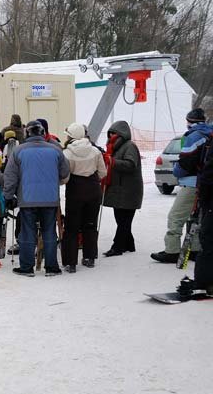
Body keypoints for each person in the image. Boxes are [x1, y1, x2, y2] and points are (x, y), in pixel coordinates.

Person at [4, 121, 70, 276]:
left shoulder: (19, 151)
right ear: (42, 133)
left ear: (27, 133)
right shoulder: (55, 150)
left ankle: (27, 267)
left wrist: (8, 195)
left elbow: (10, 176)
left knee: (27, 232)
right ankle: (52, 267)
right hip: (50, 198)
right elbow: (65, 172)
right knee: (49, 232)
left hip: (27, 198)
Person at [152, 108, 212, 263]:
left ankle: (172, 251)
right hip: (205, 183)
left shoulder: (193, 136)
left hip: (192, 184)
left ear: (189, 121)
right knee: (195, 217)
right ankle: (194, 250)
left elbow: (185, 162)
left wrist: (177, 172)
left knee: (176, 217)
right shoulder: (209, 134)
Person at [60, 123, 107, 273]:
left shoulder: (67, 153)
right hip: (93, 190)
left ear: (71, 136)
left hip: (75, 191)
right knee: (90, 224)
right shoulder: (94, 151)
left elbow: (65, 178)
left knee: (71, 228)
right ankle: (89, 257)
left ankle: (70, 262)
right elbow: (102, 173)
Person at [178, 129, 213, 296]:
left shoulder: (202, 139)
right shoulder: (205, 139)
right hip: (201, 190)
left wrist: (203, 198)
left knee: (207, 238)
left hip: (203, 193)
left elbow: (207, 173)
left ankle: (204, 282)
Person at [101, 120, 143, 257]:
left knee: (124, 220)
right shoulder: (114, 147)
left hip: (129, 190)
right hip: (118, 190)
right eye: (110, 133)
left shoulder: (129, 146)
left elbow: (131, 164)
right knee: (121, 220)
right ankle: (129, 245)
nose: (111, 136)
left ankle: (117, 247)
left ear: (122, 134)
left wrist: (112, 161)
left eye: (114, 133)